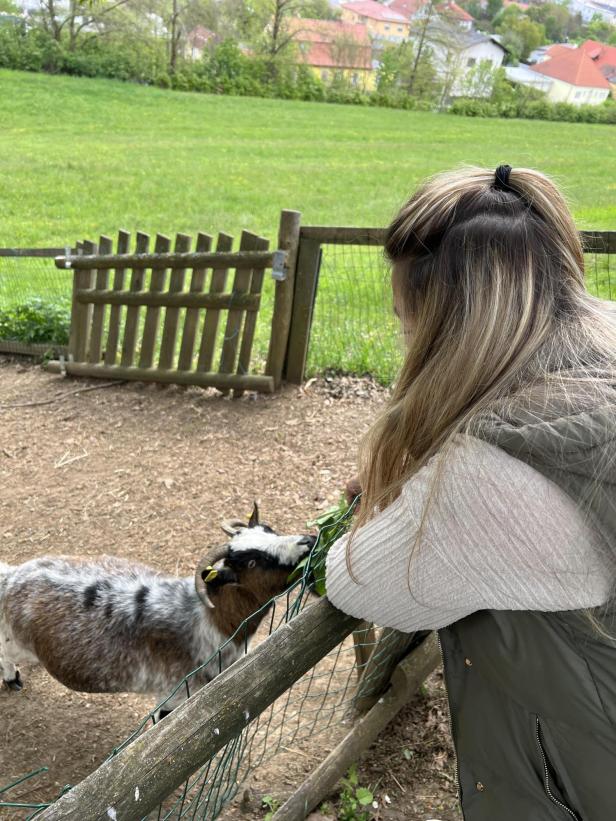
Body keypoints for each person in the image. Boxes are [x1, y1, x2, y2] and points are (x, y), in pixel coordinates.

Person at [325, 165, 616, 820]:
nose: (405, 340)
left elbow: (356, 580)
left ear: (451, 327)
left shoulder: (489, 477)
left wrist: (399, 491)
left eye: (409, 322)